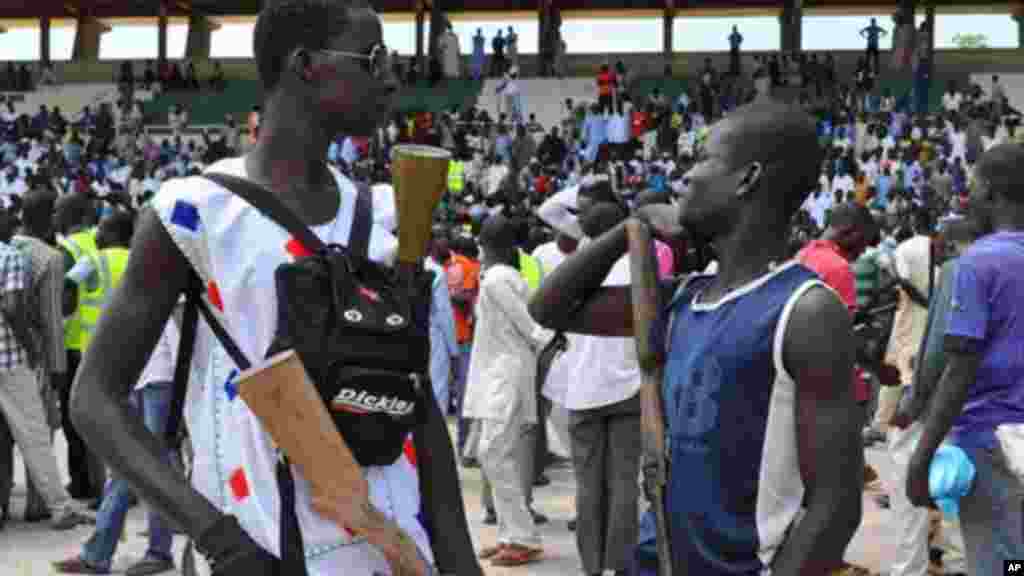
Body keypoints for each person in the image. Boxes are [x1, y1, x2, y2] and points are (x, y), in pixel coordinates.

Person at [67, 1, 481, 575]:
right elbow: (94, 399)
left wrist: (460, 563)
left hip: (393, 551)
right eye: (374, 58)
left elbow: (420, 409)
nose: (391, 77)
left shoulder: (384, 217)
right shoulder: (194, 214)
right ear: (306, 64)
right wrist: (218, 539)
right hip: (263, 550)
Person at [529, 99, 863, 574]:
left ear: (747, 179)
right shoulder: (684, 298)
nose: (683, 177)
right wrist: (631, 228)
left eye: (703, 159)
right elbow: (549, 307)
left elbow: (836, 505)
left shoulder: (805, 311)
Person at [908, 144, 1024, 575]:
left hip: (992, 441)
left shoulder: (979, 264)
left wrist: (922, 456)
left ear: (992, 193)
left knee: (1002, 561)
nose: (966, 198)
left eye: (972, 188)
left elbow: (960, 366)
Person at [463, 214, 550, 567]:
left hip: (505, 379)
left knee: (495, 454)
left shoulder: (497, 280)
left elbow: (532, 329)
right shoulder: (506, 277)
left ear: (488, 247)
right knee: (497, 456)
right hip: (503, 377)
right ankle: (510, 534)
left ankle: (523, 537)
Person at [0, 205, 93, 532]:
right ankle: (59, 507)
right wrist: (33, 348)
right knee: (35, 435)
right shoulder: (9, 256)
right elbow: (12, 306)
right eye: (6, 217)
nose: (13, 222)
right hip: (9, 361)